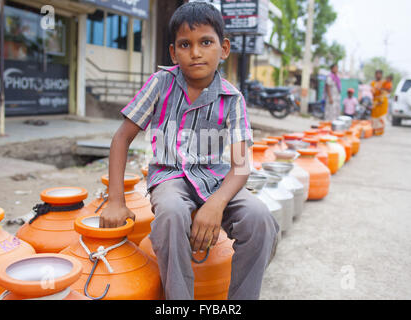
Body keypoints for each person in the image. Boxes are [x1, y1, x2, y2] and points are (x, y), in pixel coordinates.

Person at [100, 2, 278, 300]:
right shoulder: (160, 84)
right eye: (185, 44)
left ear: (223, 48)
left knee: (259, 217)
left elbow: (241, 166)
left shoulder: (232, 98)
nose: (195, 52)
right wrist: (116, 200)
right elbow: (121, 139)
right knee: (170, 213)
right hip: (169, 177)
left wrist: (216, 204)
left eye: (205, 42)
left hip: (215, 179)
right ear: (173, 52)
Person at [371, 70, 389, 135]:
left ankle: (380, 131)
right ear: (375, 75)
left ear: (381, 75)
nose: (378, 75)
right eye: (377, 74)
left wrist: (381, 90)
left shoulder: (384, 83)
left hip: (382, 102)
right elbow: (372, 92)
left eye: (379, 74)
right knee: (374, 117)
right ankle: (374, 131)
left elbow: (388, 90)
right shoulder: (373, 83)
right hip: (375, 101)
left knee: (381, 117)